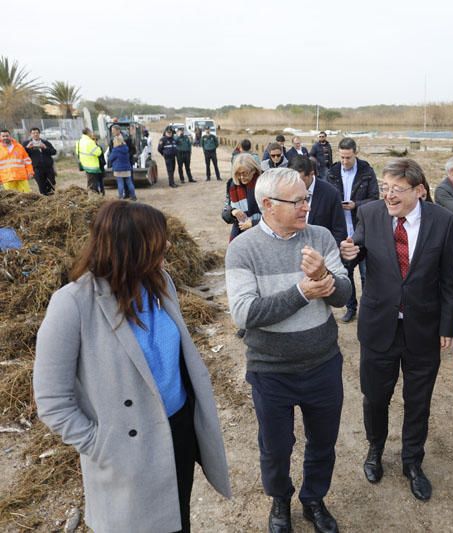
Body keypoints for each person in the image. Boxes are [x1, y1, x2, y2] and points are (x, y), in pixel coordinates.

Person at [33, 201, 232, 533]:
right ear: (130, 246)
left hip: (178, 430)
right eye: (158, 239)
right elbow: (52, 400)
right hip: (126, 447)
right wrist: (102, 445)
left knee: (178, 520)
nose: (167, 245)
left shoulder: (161, 282)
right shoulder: (72, 304)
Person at [225, 168, 351, 533]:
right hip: (271, 371)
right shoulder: (243, 249)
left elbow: (345, 296)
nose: (306, 207)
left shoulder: (321, 236)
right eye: (297, 201)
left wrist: (324, 280)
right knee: (276, 447)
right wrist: (302, 292)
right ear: (267, 205)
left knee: (323, 441)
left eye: (306, 198)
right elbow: (245, 314)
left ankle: (313, 499)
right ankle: (280, 499)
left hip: (323, 364)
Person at [340, 158, 453, 502]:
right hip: (379, 326)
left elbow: (450, 278)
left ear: (419, 190)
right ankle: (375, 449)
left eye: (397, 189)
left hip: (423, 328)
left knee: (417, 401)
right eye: (385, 188)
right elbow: (357, 250)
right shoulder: (371, 213)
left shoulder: (443, 221)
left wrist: (447, 323)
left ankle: (412, 462)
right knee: (375, 396)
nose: (388, 196)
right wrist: (349, 253)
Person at [327, 137, 378, 323]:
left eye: (348, 157)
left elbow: (375, 198)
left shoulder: (367, 171)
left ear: (355, 153)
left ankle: (368, 309)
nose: (345, 161)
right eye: (342, 157)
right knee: (346, 275)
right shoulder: (332, 172)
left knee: (366, 275)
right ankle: (351, 308)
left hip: (363, 232)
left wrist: (356, 204)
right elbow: (326, 199)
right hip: (342, 233)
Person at [289, 155, 347, 245]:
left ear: (311, 174)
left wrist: (329, 255)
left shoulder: (330, 194)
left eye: (300, 180)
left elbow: (339, 231)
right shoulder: (286, 192)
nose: (295, 184)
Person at [222, 154, 262, 241]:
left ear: (254, 170)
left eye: (245, 173)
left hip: (261, 234)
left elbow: (274, 216)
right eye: (238, 174)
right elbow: (225, 210)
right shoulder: (232, 185)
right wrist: (232, 211)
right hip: (239, 234)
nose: (241, 177)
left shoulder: (264, 184)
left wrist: (253, 223)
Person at [23, 127, 57, 195]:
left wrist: (45, 148)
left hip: (48, 167)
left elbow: (54, 152)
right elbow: (22, 154)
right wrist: (27, 148)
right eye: (33, 133)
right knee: (41, 185)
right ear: (31, 134)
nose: (35, 134)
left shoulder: (45, 142)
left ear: (39, 134)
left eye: (37, 133)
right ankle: (44, 198)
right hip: (37, 168)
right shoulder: (26, 143)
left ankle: (52, 197)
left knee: (51, 183)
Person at [1, 129, 34, 193]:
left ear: (10, 136)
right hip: (7, 178)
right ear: (0, 137)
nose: (5, 138)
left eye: (7, 136)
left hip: (21, 176)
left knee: (27, 195)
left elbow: (27, 161)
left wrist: (30, 172)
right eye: (3, 136)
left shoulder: (19, 146)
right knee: (11, 198)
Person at [107, 134, 138, 201]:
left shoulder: (115, 150)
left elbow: (110, 158)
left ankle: (120, 197)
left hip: (118, 169)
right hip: (127, 168)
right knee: (129, 182)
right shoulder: (126, 149)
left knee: (120, 183)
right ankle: (133, 196)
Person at [76, 128, 104, 194]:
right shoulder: (90, 142)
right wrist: (96, 145)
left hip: (85, 164)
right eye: (91, 132)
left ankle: (89, 194)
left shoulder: (79, 141)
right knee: (94, 183)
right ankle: (94, 196)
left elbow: (78, 152)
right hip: (92, 166)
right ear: (88, 133)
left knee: (90, 181)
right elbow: (98, 152)